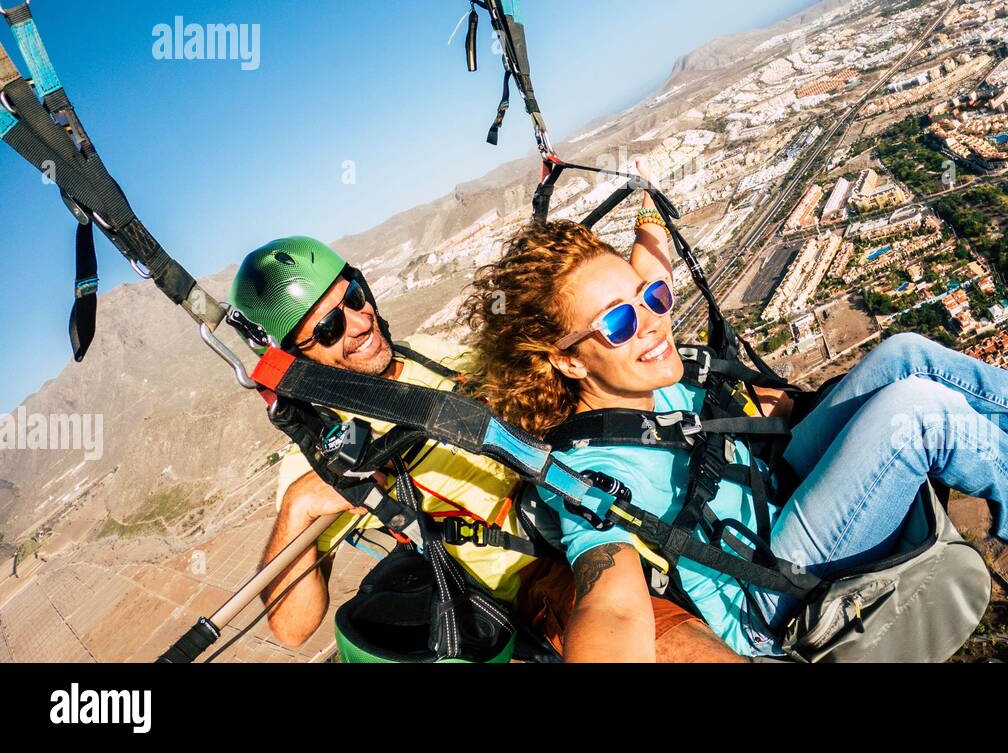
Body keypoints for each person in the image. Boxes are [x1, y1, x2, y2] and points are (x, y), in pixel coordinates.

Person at [461, 217, 1008, 661]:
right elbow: (611, 604)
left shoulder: (640, 368)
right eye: (618, 322)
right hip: (774, 589)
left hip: (775, 490)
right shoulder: (589, 469)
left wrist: (644, 216)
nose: (650, 322)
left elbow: (650, 261)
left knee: (902, 352)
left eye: (651, 302)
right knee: (912, 412)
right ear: (564, 358)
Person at [231, 235, 741, 661]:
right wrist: (300, 507)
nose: (360, 323)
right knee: (672, 641)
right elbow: (293, 629)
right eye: (328, 327)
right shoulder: (325, 454)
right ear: (295, 358)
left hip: (588, 480)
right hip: (539, 568)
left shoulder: (430, 355)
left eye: (355, 297)